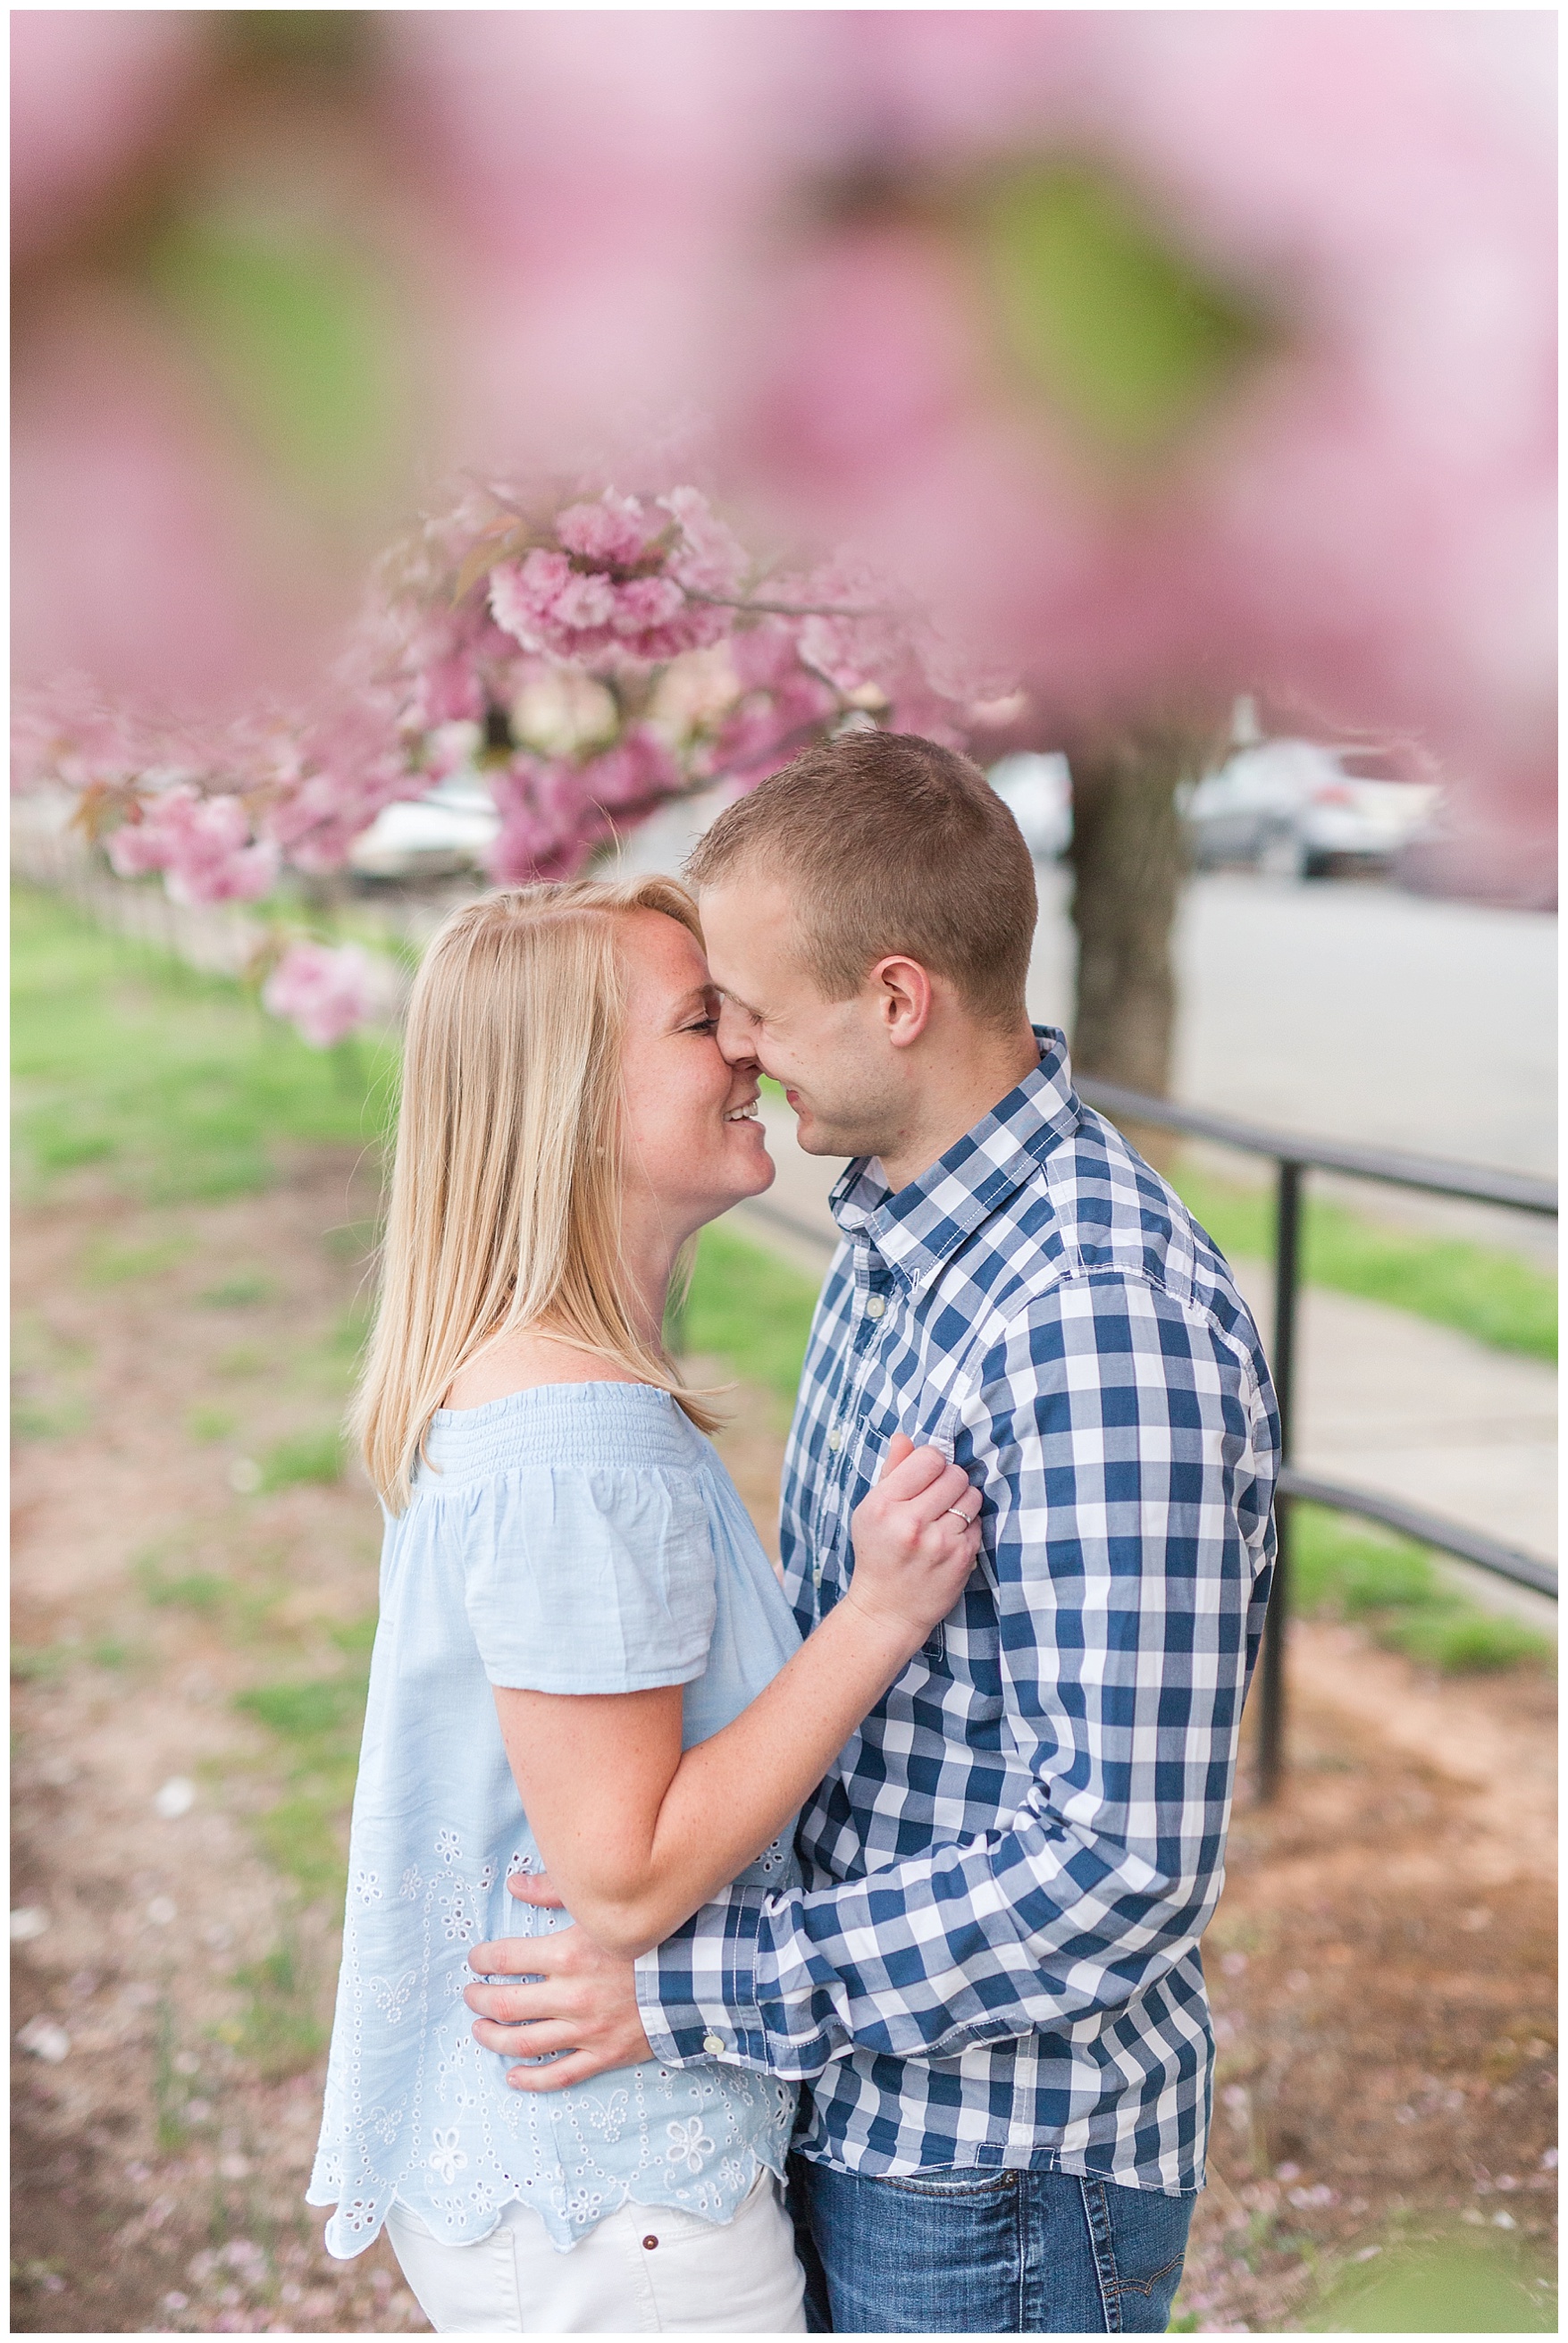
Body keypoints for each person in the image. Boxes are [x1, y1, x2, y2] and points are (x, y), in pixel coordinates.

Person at [466, 732, 1282, 2334]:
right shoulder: (896, 1229)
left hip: (1000, 2171)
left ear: (896, 998)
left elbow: (1120, 1867)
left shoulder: (1093, 1321)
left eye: (754, 1009)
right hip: (863, 2105)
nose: (743, 1053)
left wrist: (695, 1988)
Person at [306, 873, 985, 2333]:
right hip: (617, 2201)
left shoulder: (528, 1380)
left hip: (582, 2174)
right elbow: (620, 1872)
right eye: (700, 1019)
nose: (748, 1046)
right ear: (570, 1098)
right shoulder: (573, 1435)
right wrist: (873, 1619)